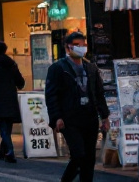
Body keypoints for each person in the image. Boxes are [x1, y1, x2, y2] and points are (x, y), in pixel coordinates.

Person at [44, 32, 110, 182]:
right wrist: (56, 118)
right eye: (77, 45)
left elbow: (99, 94)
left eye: (84, 45)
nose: (81, 48)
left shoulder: (91, 68)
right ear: (68, 48)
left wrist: (104, 116)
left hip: (89, 117)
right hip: (69, 118)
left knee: (89, 157)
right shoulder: (58, 68)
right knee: (78, 154)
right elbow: (51, 95)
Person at [0, 41, 25, 163]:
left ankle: (10, 151)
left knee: (3, 128)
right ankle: (2, 152)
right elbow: (20, 82)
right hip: (11, 99)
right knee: (7, 127)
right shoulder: (12, 64)